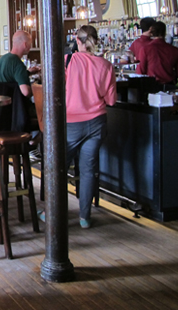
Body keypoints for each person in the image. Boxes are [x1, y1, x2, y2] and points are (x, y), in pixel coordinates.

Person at [64, 25, 116, 229]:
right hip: (96, 122)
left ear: (77, 40)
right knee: (87, 171)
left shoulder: (68, 61)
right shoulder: (106, 65)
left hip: (71, 123)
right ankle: (84, 217)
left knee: (58, 168)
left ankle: (53, 214)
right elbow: (111, 100)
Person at [0, 30, 40, 97]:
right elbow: (26, 92)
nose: (30, 47)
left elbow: (11, 77)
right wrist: (37, 90)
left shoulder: (1, 59)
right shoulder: (18, 64)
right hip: (16, 105)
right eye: (30, 44)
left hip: (2, 103)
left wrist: (27, 72)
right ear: (25, 45)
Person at [136, 21, 178, 86]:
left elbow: (141, 71)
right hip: (170, 86)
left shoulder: (145, 49)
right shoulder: (175, 50)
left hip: (151, 86)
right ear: (165, 32)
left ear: (152, 33)